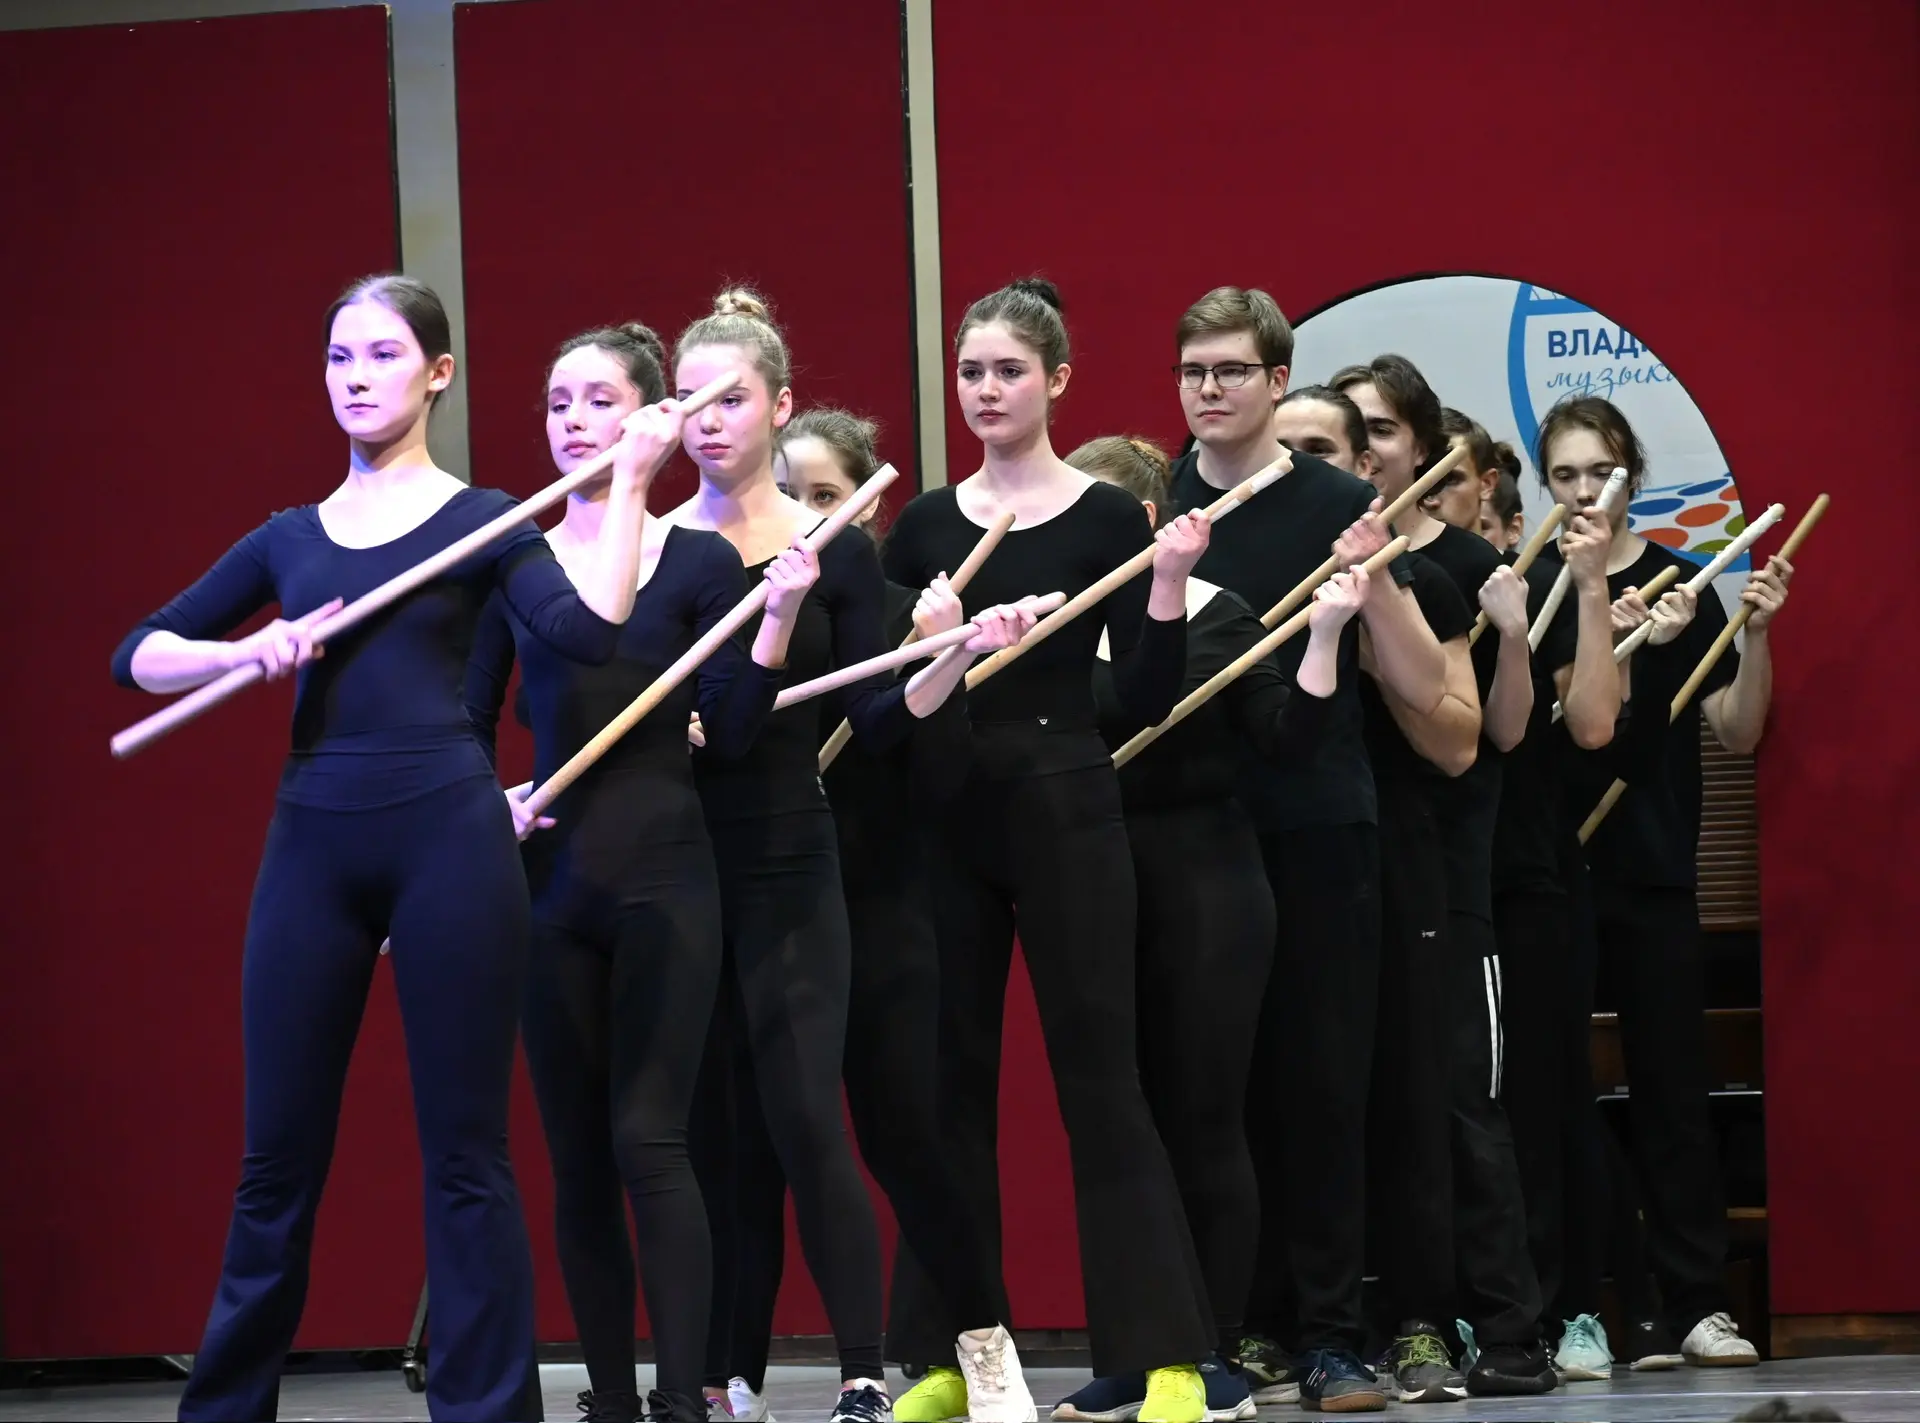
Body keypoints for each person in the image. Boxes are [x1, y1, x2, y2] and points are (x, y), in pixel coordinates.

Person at [113, 275, 680, 1422]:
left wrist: (627, 484)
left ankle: (484, 1409)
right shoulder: (288, 538)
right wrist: (240, 654)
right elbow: (139, 653)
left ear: (438, 374)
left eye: (381, 355)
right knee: (275, 1160)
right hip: (314, 842)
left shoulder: (487, 521)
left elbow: (591, 628)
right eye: (339, 356)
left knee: (467, 1154)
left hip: (448, 842)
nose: (356, 377)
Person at [670, 289, 1025, 1423]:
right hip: (678, 865)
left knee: (815, 1118)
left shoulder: (834, 556)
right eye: (688, 398)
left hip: (795, 859)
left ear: (779, 405)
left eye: (732, 398)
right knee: (706, 1137)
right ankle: (716, 1377)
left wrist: (950, 656)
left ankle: (872, 1370)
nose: (707, 419)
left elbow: (876, 721)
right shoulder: (657, 546)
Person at [881, 278, 1217, 1423]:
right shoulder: (925, 528)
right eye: (971, 371)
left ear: (1057, 380)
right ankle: (954, 1358)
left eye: (1009, 371)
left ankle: (1168, 1359)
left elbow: (1151, 697)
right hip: (949, 818)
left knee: (1103, 1081)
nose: (986, 389)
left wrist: (1165, 581)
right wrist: (937, 646)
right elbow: (898, 711)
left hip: (1069, 804)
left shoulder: (1109, 519)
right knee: (945, 1092)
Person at [460, 322, 809, 1423]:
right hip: (552, 892)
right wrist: (485, 802)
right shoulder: (516, 562)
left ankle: (682, 1400)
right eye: (557, 402)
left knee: (652, 1142)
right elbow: (465, 721)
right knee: (577, 1157)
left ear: (652, 417)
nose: (573, 421)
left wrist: (777, 618)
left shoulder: (698, 562)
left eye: (599, 400)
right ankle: (609, 1397)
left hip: (668, 885)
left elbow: (734, 731)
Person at [1164, 288, 1444, 1414]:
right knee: (1216, 1092)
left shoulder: (1340, 505)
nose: (1209, 389)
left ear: (1279, 381)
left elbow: (1420, 681)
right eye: (1194, 370)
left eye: (1232, 369)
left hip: (1322, 823)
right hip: (1200, 831)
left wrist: (1372, 587)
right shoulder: (1160, 500)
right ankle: (1241, 1326)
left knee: (1324, 1084)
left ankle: (1332, 1335)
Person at [1046, 435, 1363, 1423]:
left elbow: (1289, 738)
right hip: (1088, 890)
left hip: (1208, 891)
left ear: (1144, 521)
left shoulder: (1219, 613)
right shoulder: (1048, 626)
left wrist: (1324, 635)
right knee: (1112, 1128)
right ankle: (1133, 1349)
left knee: (1202, 1120)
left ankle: (1211, 1348)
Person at [1543, 396, 1789, 1373]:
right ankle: (1595, 1307)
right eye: (1562, 474)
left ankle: (1697, 1304)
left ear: (1630, 475)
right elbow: (1575, 724)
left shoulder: (1687, 585)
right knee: (1558, 1098)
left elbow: (1737, 727)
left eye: (1596, 472)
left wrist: (1755, 634)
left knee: (1674, 1097)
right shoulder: (1540, 586)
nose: (1581, 491)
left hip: (1653, 872)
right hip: (1555, 873)